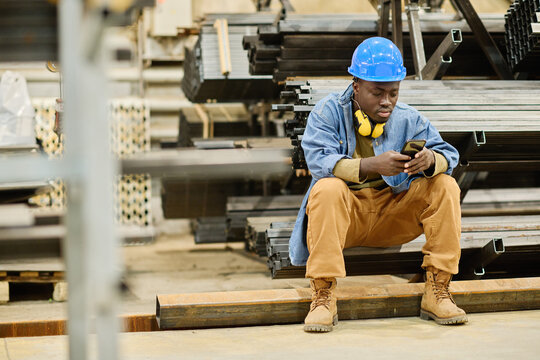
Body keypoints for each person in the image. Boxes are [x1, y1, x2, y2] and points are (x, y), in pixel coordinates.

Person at [288, 37, 466, 333]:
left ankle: (437, 291)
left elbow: (451, 155)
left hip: (393, 215)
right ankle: (323, 296)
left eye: (393, 93)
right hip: (348, 218)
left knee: (445, 185)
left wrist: (430, 160)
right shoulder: (327, 112)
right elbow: (319, 162)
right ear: (356, 85)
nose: (387, 101)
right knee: (326, 188)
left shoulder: (409, 118)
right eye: (378, 92)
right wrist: (372, 165)